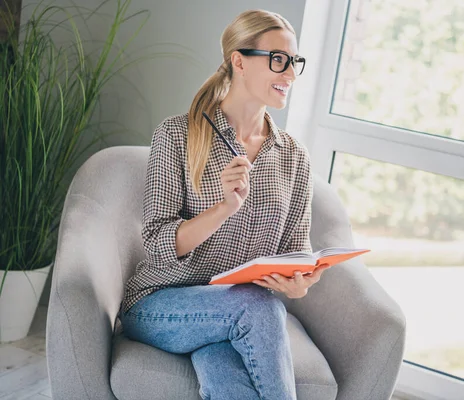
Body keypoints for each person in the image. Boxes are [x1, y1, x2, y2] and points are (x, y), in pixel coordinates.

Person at [118, 9, 330, 400]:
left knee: (227, 379)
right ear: (239, 61)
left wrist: (300, 282)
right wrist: (223, 208)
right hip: (157, 304)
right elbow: (157, 243)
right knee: (259, 309)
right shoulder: (177, 134)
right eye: (278, 60)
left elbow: (294, 251)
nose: (290, 74)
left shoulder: (294, 157)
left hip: (229, 316)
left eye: (294, 62)